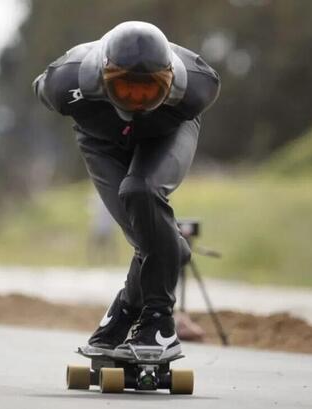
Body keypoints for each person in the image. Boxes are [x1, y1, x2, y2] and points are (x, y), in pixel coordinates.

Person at [32, 21, 220, 360]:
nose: (136, 101)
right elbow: (39, 86)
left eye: (148, 91)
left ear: (170, 82)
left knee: (141, 191)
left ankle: (160, 324)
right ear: (103, 81)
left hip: (167, 135)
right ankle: (125, 311)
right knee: (147, 235)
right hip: (100, 143)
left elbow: (160, 118)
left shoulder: (197, 86)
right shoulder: (64, 82)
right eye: (126, 89)